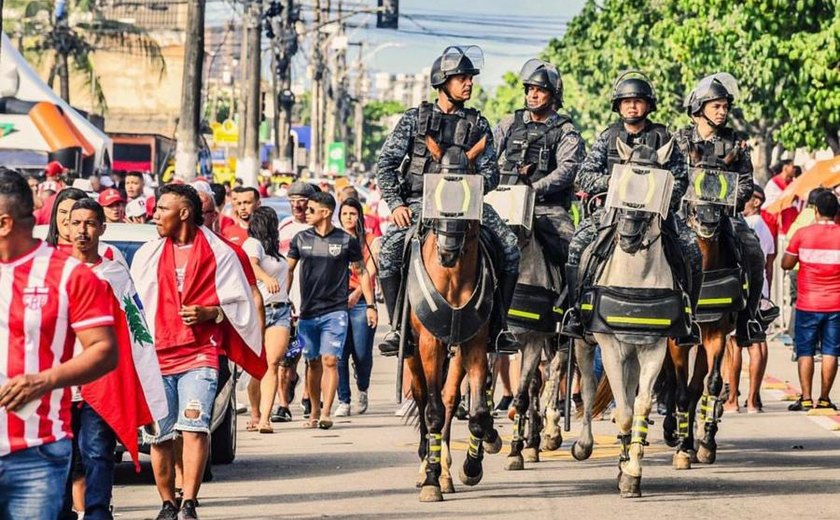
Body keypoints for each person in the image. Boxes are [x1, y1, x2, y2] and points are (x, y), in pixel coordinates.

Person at [375, 45, 522, 356]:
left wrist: (466, 179)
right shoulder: (414, 120)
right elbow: (386, 163)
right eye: (461, 78)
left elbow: (491, 174)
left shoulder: (479, 124)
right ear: (443, 82)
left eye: (470, 78)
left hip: (468, 205)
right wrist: (395, 203)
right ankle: (398, 328)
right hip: (418, 203)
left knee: (509, 245)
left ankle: (499, 327)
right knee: (388, 249)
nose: (468, 84)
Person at [132, 184, 265, 520]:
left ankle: (189, 502)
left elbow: (240, 304)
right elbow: (133, 308)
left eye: (163, 208)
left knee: (195, 428)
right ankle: (166, 503)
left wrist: (211, 312)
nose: (156, 214)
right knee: (159, 436)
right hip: (158, 357)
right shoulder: (147, 253)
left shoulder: (220, 253)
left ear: (184, 212)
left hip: (200, 357)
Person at [0, 168, 117, 520]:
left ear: (4, 223)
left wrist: (44, 380)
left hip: (36, 451)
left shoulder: (70, 274)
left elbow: (104, 349)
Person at [561, 72, 703, 346]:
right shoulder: (608, 137)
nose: (632, 106)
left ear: (648, 105)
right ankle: (576, 312)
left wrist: (659, 196)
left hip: (656, 216)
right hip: (613, 212)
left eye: (638, 101)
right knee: (578, 245)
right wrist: (617, 180)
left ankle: (689, 317)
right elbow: (584, 175)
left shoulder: (664, 137)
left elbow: (681, 179)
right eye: (626, 102)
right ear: (618, 106)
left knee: (692, 250)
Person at [61, 198, 167, 520]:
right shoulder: (52, 273)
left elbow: (139, 335)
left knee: (96, 453)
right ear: (65, 227)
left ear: (101, 228)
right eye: (76, 223)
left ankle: (97, 513)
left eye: (90, 224)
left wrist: (148, 390)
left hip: (100, 384)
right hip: (59, 384)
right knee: (60, 457)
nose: (82, 230)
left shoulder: (115, 275)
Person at [493, 58, 584, 410]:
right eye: (529, 89)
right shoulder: (507, 124)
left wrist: (534, 189)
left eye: (540, 90)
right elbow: (487, 157)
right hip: (503, 204)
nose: (533, 95)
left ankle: (573, 311)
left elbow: (568, 169)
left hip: (545, 207)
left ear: (553, 94)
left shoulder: (566, 131)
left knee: (577, 249)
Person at [676, 73, 768, 345]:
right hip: (681, 215)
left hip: (723, 216)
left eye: (725, 107)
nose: (722, 111)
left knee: (753, 251)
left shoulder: (735, 142)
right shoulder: (679, 140)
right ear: (699, 109)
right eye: (716, 106)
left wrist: (729, 203)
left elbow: (746, 182)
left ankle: (749, 320)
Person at [286, 192, 377, 429]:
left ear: (325, 213)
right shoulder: (300, 239)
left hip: (335, 312)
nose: (306, 213)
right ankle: (314, 410)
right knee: (312, 363)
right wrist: (283, 300)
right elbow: (287, 270)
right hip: (307, 312)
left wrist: (370, 305)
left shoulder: (347, 242)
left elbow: (362, 272)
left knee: (330, 360)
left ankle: (327, 411)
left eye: (311, 209)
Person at [781, 190, 840, 412]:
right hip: (836, 304)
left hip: (808, 304)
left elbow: (786, 264)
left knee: (805, 351)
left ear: (815, 210)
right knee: (830, 352)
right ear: (835, 212)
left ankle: (806, 397)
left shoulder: (802, 234)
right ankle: (824, 398)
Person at [725, 185, 775, 413]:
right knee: (757, 342)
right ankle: (753, 400)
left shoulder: (751, 225)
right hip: (760, 287)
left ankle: (734, 399)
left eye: (748, 199)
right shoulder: (762, 226)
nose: (743, 202)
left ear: (756, 202)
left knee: (737, 344)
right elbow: (770, 265)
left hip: (746, 287)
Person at [243, 207, 291, 432]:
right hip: (258, 310)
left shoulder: (275, 251)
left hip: (280, 309)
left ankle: (265, 418)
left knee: (272, 363)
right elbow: (250, 266)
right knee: (258, 367)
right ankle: (255, 412)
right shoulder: (253, 243)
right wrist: (266, 277)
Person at [335, 198, 379, 417]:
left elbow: (369, 272)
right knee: (339, 354)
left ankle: (362, 388)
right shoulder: (334, 239)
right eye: (344, 214)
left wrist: (357, 295)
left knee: (362, 355)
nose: (348, 218)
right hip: (336, 302)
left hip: (361, 301)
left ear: (359, 216)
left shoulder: (370, 241)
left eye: (352, 214)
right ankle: (343, 399)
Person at [277, 181, 315, 419]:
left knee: (312, 356)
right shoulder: (284, 228)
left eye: (301, 200)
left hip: (314, 303)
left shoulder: (323, 228)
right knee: (285, 357)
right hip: (288, 301)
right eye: (292, 200)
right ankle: (283, 405)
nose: (296, 205)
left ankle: (309, 397)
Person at [46, 188, 129, 269]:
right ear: (55, 214)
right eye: (63, 212)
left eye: (73, 212)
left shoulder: (108, 251)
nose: (68, 217)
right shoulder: (42, 251)